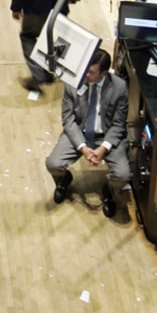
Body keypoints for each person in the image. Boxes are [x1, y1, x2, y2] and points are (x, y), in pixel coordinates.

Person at [45, 49, 130, 218]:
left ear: (104, 73)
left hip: (106, 137)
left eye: (91, 72)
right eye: (85, 69)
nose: (85, 75)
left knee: (123, 175)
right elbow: (68, 119)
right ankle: (64, 179)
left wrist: (103, 149)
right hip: (80, 134)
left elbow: (119, 125)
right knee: (53, 164)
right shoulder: (73, 82)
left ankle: (109, 190)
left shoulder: (119, 87)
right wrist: (83, 147)